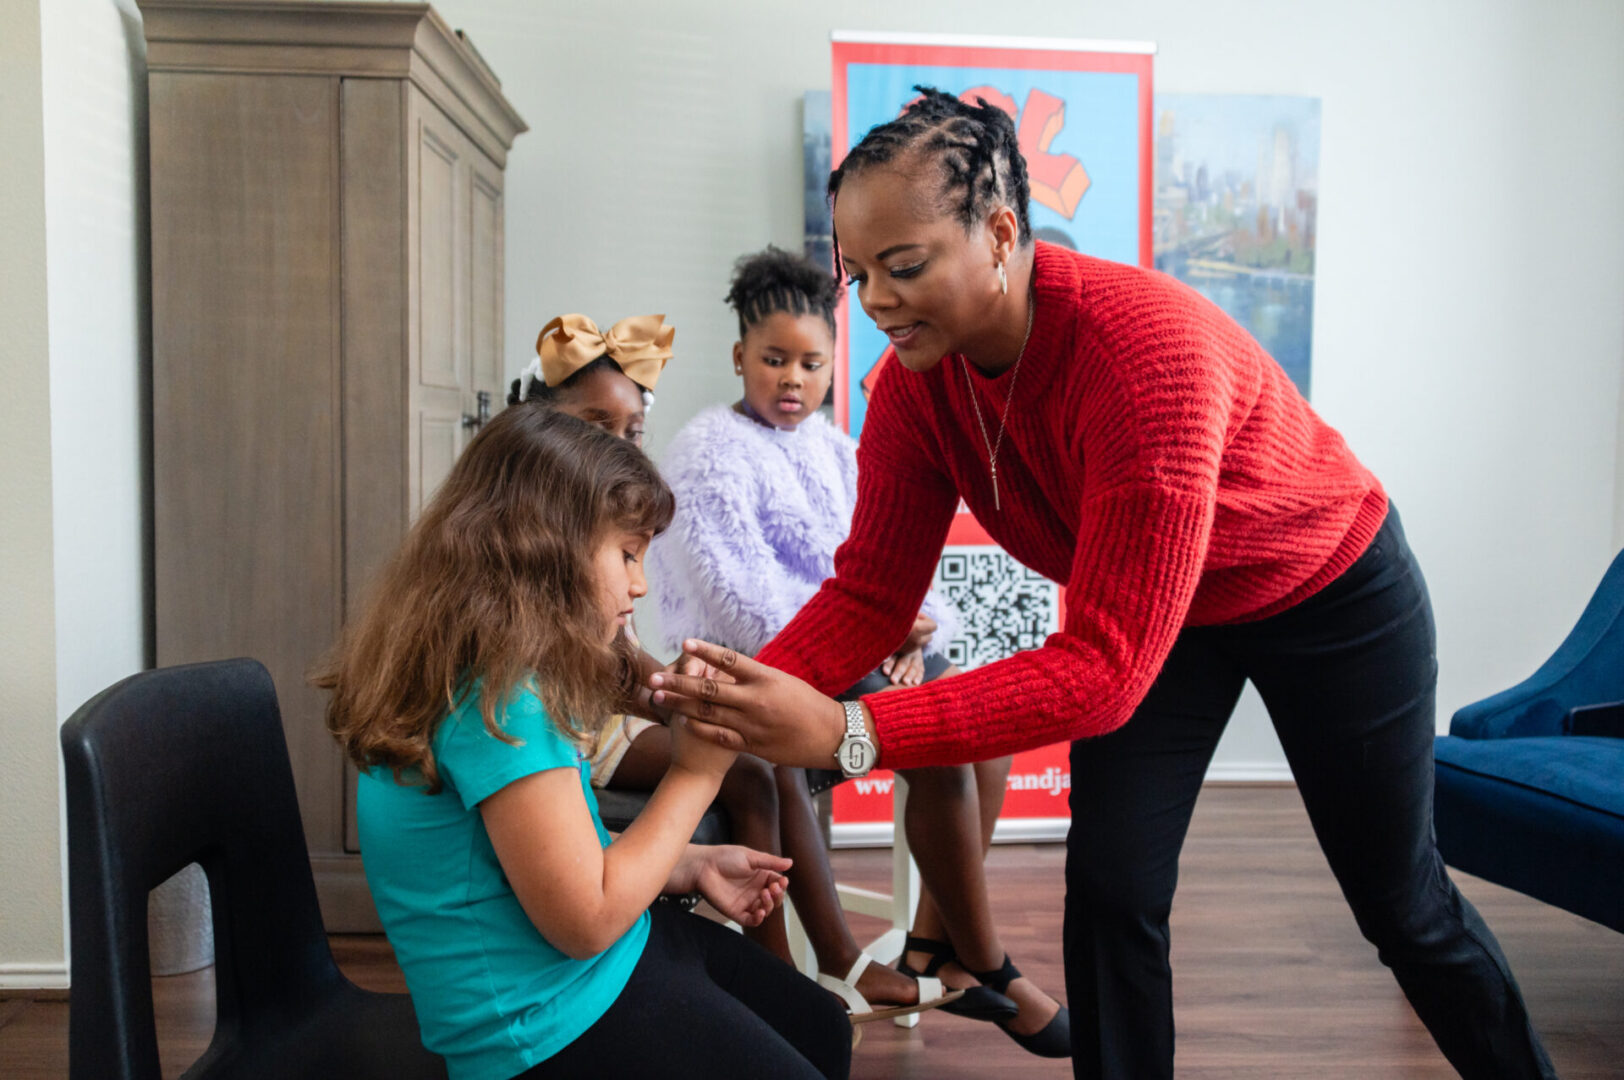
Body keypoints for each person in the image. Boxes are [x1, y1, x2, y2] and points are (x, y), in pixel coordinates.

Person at [646, 88, 1557, 1079]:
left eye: (903, 268)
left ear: (999, 234)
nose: (873, 303)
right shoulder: (914, 384)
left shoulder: (1144, 354)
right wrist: (735, 691)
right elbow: (869, 594)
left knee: (1403, 907)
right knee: (1113, 890)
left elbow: (1104, 670)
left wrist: (848, 733)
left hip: (1325, 593)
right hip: (1164, 615)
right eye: (856, 274)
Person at [314, 406, 850, 1080]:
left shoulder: (489, 668)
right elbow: (586, 919)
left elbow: (545, 856)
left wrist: (686, 864)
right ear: (544, 549)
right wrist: (696, 774)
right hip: (543, 1029)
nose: (640, 584)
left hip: (598, 967)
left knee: (821, 1027)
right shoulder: (498, 702)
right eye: (627, 553)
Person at [645, 244, 1067, 1054]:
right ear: (740, 357)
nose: (793, 380)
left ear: (836, 363)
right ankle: (981, 962)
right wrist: (869, 637)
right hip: (778, 664)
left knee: (988, 731)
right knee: (936, 741)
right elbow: (745, 601)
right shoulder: (708, 453)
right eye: (773, 361)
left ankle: (931, 943)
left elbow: (900, 548)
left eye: (811, 363)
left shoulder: (838, 448)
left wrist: (918, 627)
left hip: (867, 653)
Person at [507, 311, 961, 1025]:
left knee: (760, 743)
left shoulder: (824, 455)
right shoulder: (533, 537)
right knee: (749, 767)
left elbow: (622, 659)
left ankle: (836, 960)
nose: (617, 446)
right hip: (570, 730)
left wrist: (681, 697)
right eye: (597, 426)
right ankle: (782, 974)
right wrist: (680, 705)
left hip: (607, 715)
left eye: (629, 433)